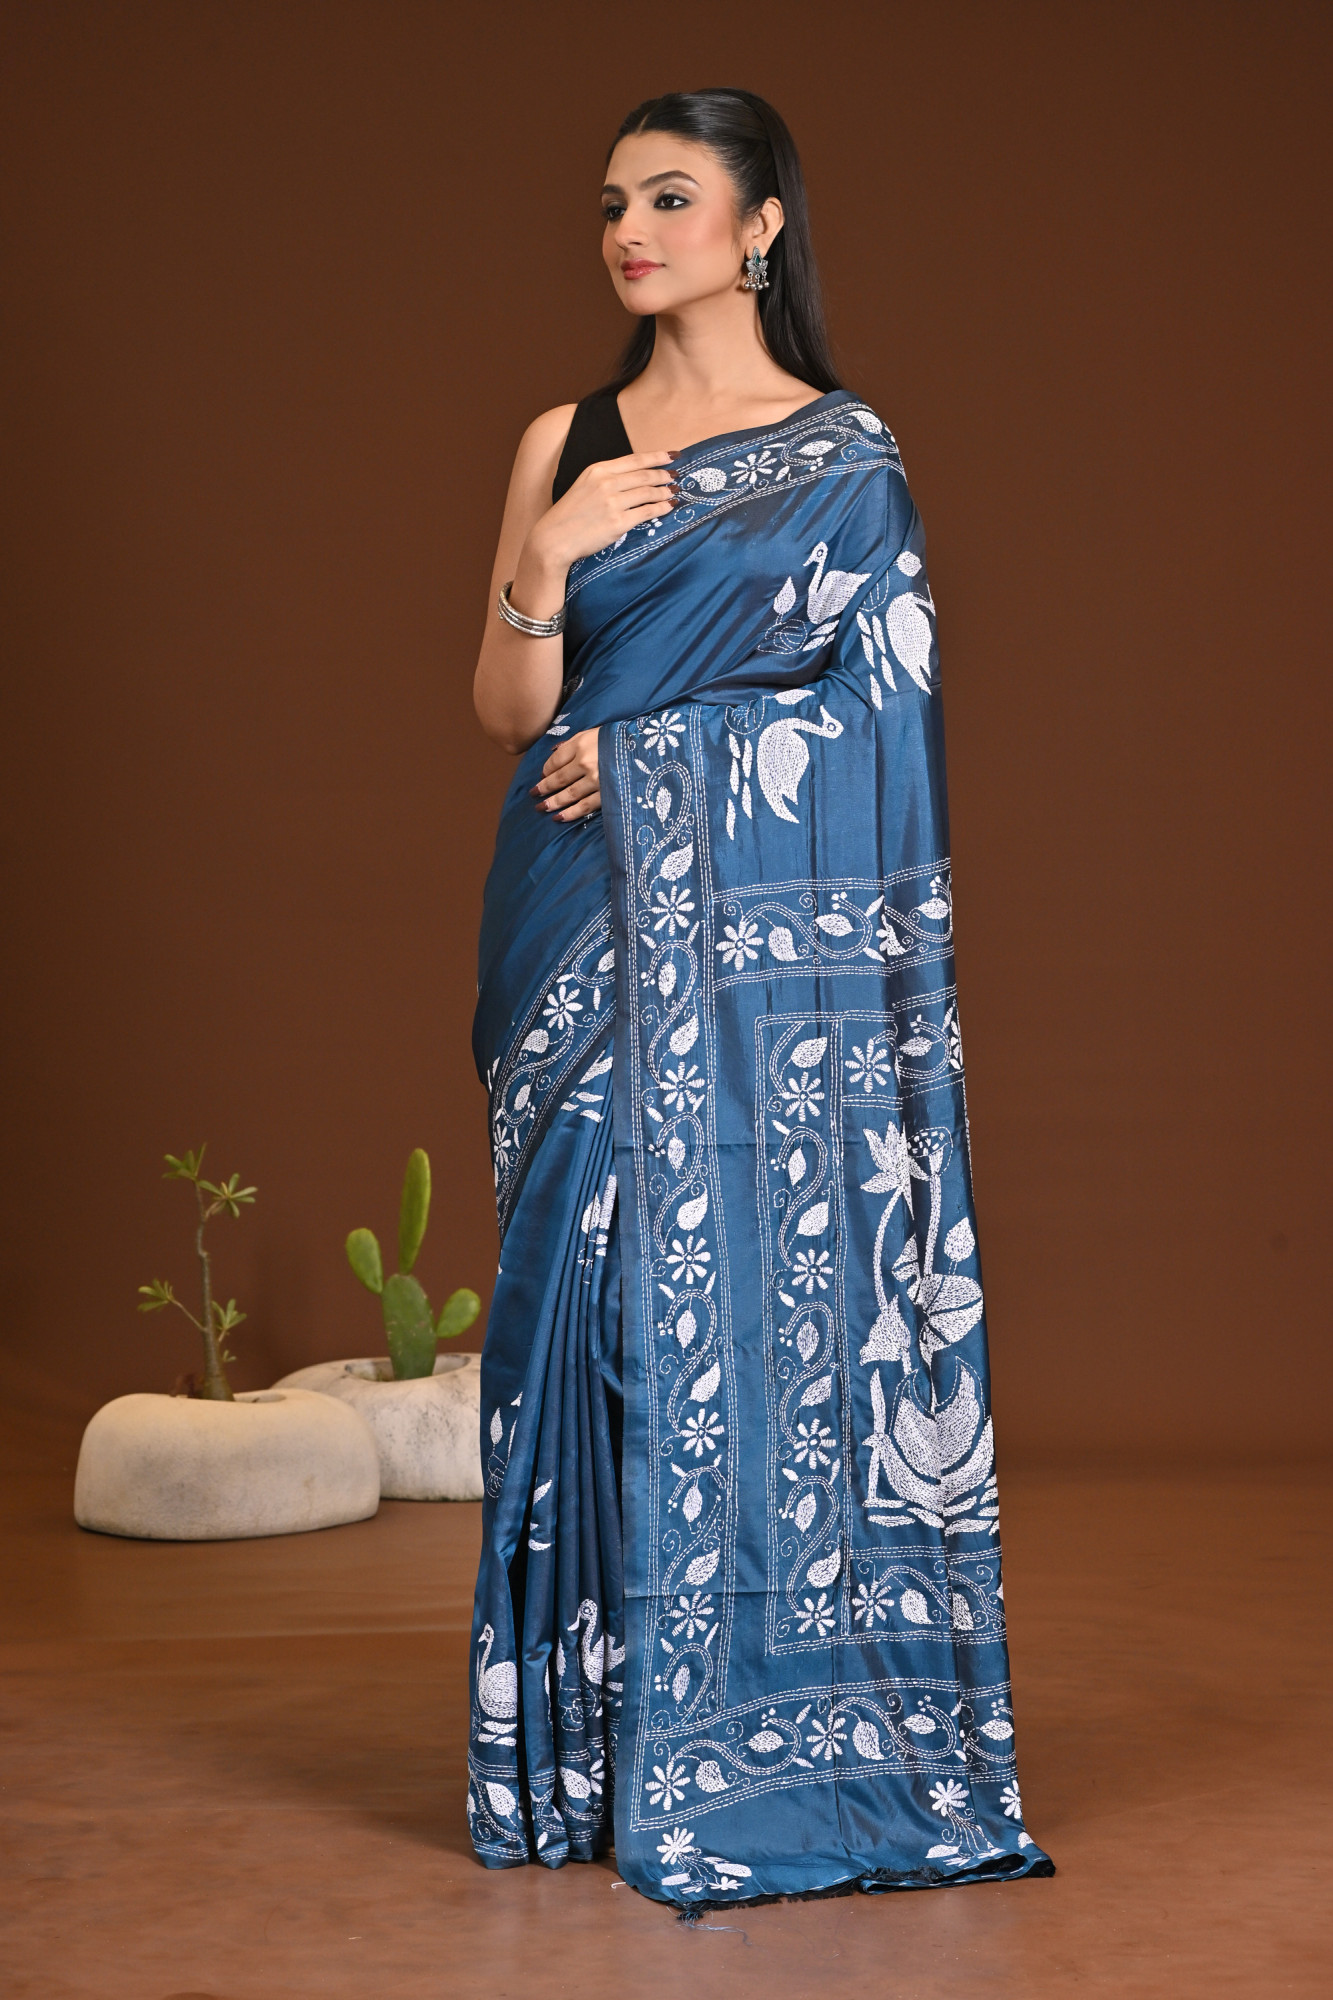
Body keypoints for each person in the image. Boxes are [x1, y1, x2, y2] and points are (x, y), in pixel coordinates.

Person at [467, 87, 1052, 1909]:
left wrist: (661, 750)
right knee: (579, 1306)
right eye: (612, 204)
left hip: (732, 934)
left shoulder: (844, 459)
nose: (629, 233)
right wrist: (547, 559)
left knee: (710, 1290)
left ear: (761, 227)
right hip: (573, 922)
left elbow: (878, 716)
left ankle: (759, 1741)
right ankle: (576, 1755)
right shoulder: (564, 440)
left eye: (669, 199)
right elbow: (503, 708)